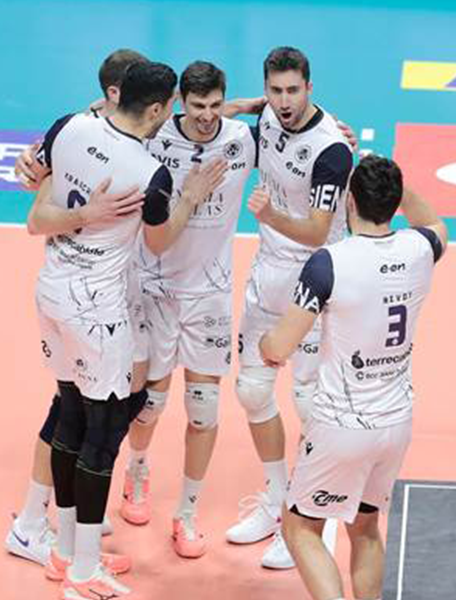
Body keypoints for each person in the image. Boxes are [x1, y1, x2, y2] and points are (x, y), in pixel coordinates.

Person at [28, 60, 196, 599]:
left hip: (52, 290)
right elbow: (158, 241)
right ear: (157, 108)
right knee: (101, 435)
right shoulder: (150, 174)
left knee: (70, 415)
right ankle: (82, 573)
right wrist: (191, 198)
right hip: (97, 310)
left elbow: (36, 185)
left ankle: (66, 550)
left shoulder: (68, 126)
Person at [260, 155, 447, 600]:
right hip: (396, 422)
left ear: (349, 201)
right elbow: (435, 223)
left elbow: (279, 347)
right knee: (365, 527)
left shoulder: (329, 262)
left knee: (300, 527)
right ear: (395, 202)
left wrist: (266, 346)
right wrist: (396, 187)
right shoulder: (420, 248)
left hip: (341, 425)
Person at [5, 48, 149, 568]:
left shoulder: (116, 131)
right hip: (84, 297)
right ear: (116, 95)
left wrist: (254, 107)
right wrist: (86, 210)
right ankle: (34, 524)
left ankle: (70, 526)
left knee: (119, 399)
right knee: (72, 409)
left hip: (117, 292)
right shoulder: (77, 133)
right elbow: (36, 215)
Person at [119, 60, 254, 561]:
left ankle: (188, 514)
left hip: (210, 294)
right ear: (179, 102)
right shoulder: (154, 138)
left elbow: (295, 130)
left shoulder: (243, 140)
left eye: (216, 104)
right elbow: (106, 113)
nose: (207, 115)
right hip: (155, 287)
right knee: (149, 404)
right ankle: (136, 472)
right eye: (197, 105)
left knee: (203, 410)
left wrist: (335, 129)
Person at [228, 46, 354, 569]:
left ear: (310, 88)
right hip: (269, 273)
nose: (284, 101)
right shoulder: (265, 117)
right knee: (252, 390)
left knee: (309, 402)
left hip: (316, 279)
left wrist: (269, 215)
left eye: (293, 91)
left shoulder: (332, 150)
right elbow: (209, 115)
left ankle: (311, 518)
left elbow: (318, 230)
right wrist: (245, 105)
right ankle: (278, 502)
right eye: (275, 91)